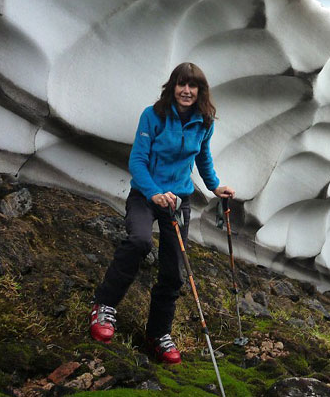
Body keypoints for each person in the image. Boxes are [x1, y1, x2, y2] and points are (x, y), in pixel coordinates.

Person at [89, 62, 235, 365]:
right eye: (181, 84)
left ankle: (157, 334)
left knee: (173, 269)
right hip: (145, 196)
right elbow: (138, 161)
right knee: (140, 241)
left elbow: (203, 158)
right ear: (172, 86)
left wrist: (215, 187)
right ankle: (104, 306)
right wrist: (154, 191)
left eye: (192, 86)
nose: (186, 90)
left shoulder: (204, 121)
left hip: (179, 201)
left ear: (200, 91)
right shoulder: (153, 116)